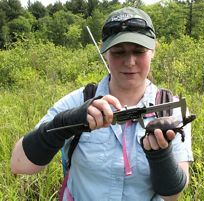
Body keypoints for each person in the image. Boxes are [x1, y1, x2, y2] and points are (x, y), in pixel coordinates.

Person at [10, 7, 193, 201]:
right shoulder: (77, 101)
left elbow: (173, 195)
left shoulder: (169, 107)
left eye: (139, 51)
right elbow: (19, 165)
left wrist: (160, 157)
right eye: (118, 52)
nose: (129, 62)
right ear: (104, 52)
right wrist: (63, 123)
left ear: (153, 50)